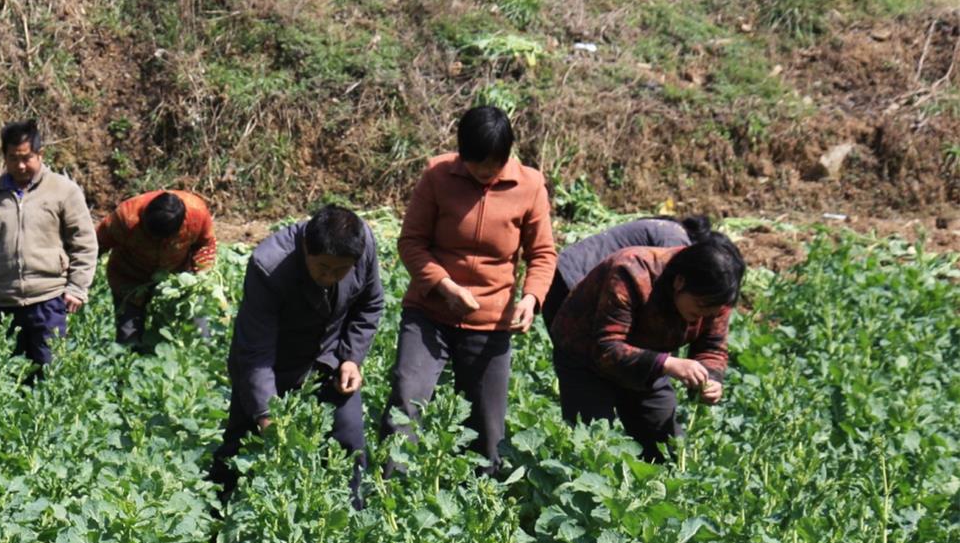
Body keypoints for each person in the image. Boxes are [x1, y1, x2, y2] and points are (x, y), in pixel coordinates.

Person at [381, 106, 556, 474]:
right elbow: (411, 242)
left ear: (507, 154)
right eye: (477, 163)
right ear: (462, 153)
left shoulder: (529, 186)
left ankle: (481, 499)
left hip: (490, 322)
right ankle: (390, 491)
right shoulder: (438, 175)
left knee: (488, 433)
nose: (485, 172)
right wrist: (444, 286)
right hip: (430, 312)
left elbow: (542, 254)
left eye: (494, 164)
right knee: (407, 401)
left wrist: (531, 298)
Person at [210, 204, 383, 507]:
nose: (330, 277)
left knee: (349, 441)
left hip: (330, 358)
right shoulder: (269, 265)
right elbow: (256, 352)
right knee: (242, 446)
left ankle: (353, 519)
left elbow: (370, 304)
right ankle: (215, 514)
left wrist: (351, 358)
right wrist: (266, 414)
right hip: (273, 362)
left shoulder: (362, 244)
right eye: (323, 268)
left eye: (340, 270)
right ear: (305, 247)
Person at [548, 234, 744, 461]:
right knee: (591, 448)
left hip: (649, 362)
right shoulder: (631, 271)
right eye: (701, 306)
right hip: (586, 357)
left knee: (669, 451)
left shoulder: (716, 295)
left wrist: (711, 378)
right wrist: (667, 363)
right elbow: (607, 348)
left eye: (712, 311)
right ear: (679, 282)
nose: (704, 316)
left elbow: (712, 346)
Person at [0, 119, 97, 367]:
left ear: (40, 154)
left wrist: (77, 287)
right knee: (11, 375)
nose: (21, 165)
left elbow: (84, 243)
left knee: (49, 371)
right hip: (5, 303)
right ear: (4, 157)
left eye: (27, 158)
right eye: (13, 158)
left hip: (49, 299)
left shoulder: (63, 191)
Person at [541, 214, 712, 331]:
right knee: (587, 357)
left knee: (574, 356)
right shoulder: (676, 240)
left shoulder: (665, 229)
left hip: (561, 274)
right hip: (576, 279)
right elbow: (663, 298)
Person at [94, 188, 217, 347]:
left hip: (177, 278)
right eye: (153, 236)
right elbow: (96, 244)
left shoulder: (197, 213)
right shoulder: (126, 217)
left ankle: (203, 354)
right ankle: (132, 358)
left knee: (199, 328)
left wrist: (201, 274)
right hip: (130, 276)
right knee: (128, 335)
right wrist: (79, 277)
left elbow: (206, 243)